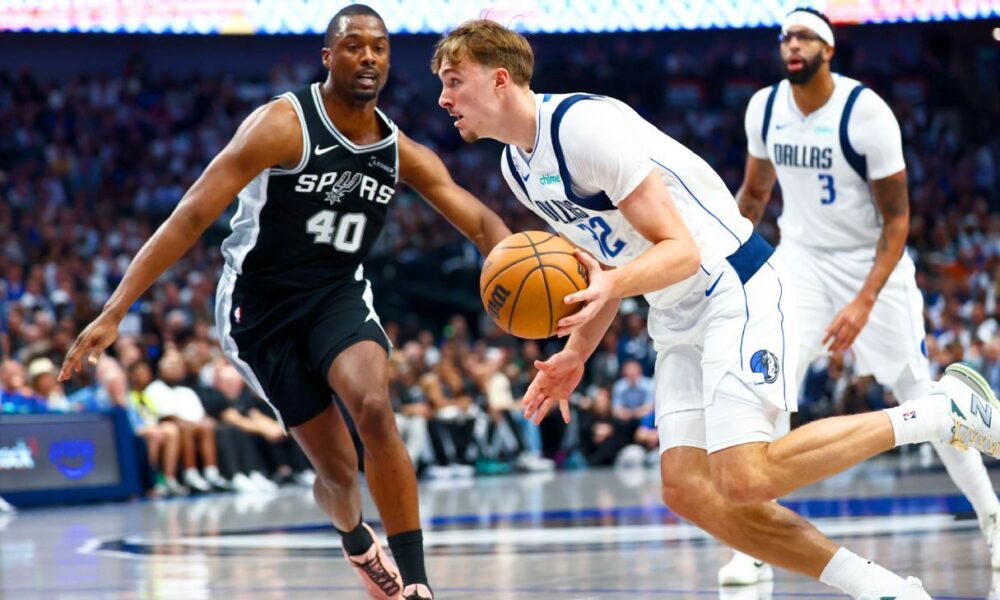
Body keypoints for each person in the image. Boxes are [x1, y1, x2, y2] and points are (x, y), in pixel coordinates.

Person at [431, 18, 1000, 599]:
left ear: (499, 79)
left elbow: (680, 251)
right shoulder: (517, 168)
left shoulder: (583, 129)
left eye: (454, 81)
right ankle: (884, 589)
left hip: (734, 285)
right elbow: (602, 267)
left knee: (745, 474)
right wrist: (575, 355)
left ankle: (937, 412)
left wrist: (612, 284)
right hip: (673, 310)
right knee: (686, 489)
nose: (444, 99)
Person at [58, 5, 511, 600]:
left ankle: (418, 584)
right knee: (338, 472)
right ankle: (356, 540)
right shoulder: (282, 125)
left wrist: (527, 265)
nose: (368, 56)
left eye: (378, 47)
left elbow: (477, 219)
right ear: (327, 57)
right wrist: (116, 309)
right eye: (353, 45)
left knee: (375, 408)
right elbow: (191, 216)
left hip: (336, 295)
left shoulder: (398, 150)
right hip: (261, 310)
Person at [718, 7, 1000, 586]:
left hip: (871, 264)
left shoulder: (866, 113)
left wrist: (863, 301)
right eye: (785, 37)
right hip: (800, 260)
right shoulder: (765, 108)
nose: (791, 45)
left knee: (918, 391)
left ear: (828, 49)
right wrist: (718, 260)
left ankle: (992, 516)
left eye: (804, 36)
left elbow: (897, 221)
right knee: (771, 386)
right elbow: (753, 195)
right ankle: (755, 543)